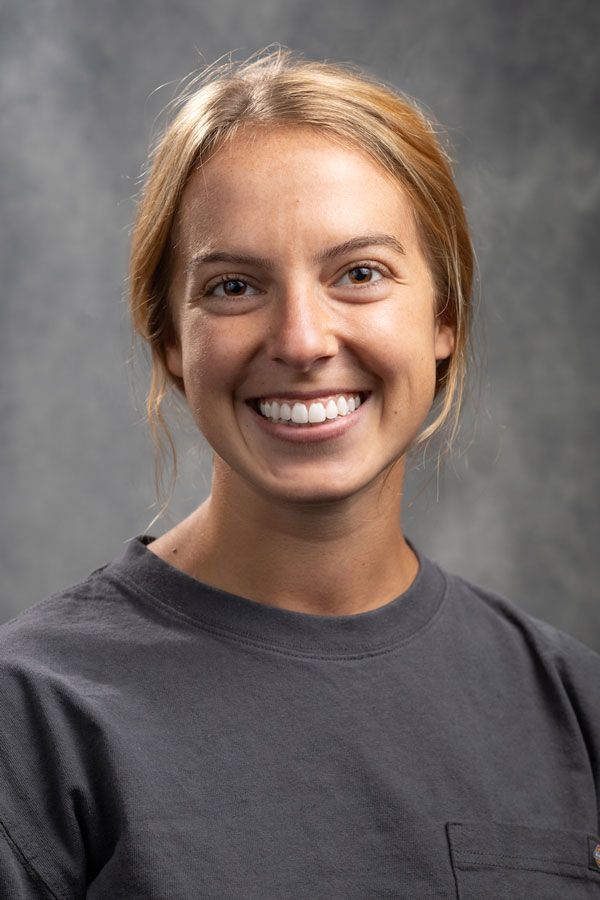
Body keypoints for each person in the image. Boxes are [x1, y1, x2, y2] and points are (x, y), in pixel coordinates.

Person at [1, 47, 599, 900]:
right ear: (171, 342)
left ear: (445, 319)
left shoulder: (572, 705)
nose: (302, 340)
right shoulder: (32, 718)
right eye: (235, 286)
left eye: (360, 274)